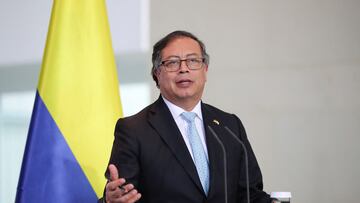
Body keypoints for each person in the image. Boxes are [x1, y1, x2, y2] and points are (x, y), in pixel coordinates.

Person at [103, 30, 273, 203]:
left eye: (193, 61)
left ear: (205, 70)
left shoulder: (229, 126)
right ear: (157, 73)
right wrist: (110, 201)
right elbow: (122, 195)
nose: (183, 69)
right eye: (172, 63)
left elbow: (250, 194)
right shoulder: (134, 130)